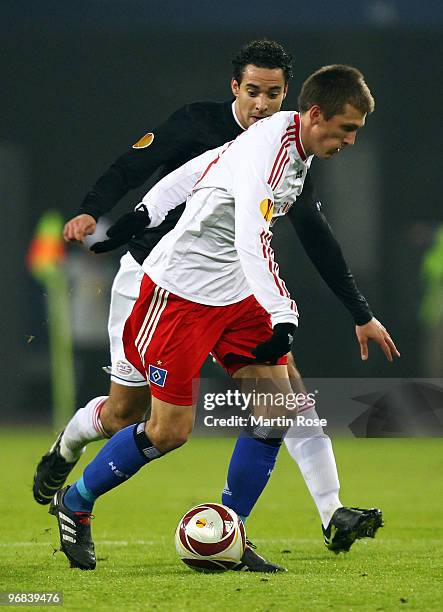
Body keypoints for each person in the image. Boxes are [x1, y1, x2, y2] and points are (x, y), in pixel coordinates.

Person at [35, 40, 391, 570]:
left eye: (356, 131)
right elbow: (252, 235)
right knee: (166, 431)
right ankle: (77, 502)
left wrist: (148, 208)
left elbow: (211, 161)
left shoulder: (286, 133)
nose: (350, 141)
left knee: (278, 408)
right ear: (316, 115)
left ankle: (232, 532)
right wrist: (284, 316)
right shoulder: (270, 152)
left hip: (233, 294)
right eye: (345, 129)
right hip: (176, 296)